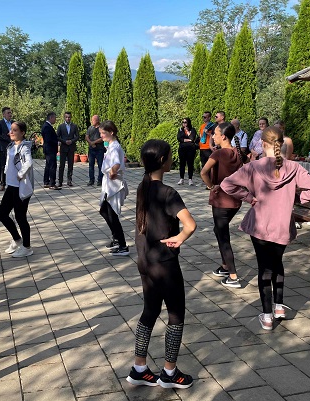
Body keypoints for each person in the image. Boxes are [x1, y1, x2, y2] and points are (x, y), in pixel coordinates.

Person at [221, 126, 310, 330]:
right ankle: (279, 307)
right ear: (281, 143)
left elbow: (226, 184)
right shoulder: (294, 167)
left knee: (264, 268)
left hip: (260, 224)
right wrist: (295, 198)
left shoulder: (252, 167)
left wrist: (248, 197)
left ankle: (267, 316)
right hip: (282, 225)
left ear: (262, 144)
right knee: (277, 263)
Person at [126, 139, 196, 389]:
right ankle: (169, 372)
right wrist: (180, 238)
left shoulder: (142, 187)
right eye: (170, 155)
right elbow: (191, 225)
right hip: (165, 264)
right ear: (163, 161)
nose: (173, 159)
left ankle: (139, 368)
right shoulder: (168, 193)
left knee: (150, 311)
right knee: (176, 315)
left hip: (145, 261)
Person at [200, 123, 243, 288]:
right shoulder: (238, 153)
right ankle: (225, 266)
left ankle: (233, 276)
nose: (213, 137)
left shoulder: (218, 153)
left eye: (215, 134)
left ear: (223, 136)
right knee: (219, 231)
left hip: (221, 201)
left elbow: (203, 172)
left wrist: (211, 186)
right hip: (235, 201)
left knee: (223, 236)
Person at [0, 121, 34, 258]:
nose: (11, 132)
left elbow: (29, 162)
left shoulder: (24, 147)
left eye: (15, 130)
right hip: (11, 186)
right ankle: (17, 239)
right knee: (2, 214)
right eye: (11, 130)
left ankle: (27, 247)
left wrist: (21, 174)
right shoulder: (11, 146)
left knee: (20, 217)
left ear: (22, 133)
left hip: (21, 187)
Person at [99, 120, 129, 256]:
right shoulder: (111, 146)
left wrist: (112, 172)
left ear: (111, 132)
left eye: (103, 133)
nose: (101, 136)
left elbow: (116, 163)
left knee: (112, 214)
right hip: (109, 185)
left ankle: (122, 245)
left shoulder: (115, 147)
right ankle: (116, 239)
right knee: (104, 210)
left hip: (114, 185)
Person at [57, 111, 79, 187]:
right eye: (66, 117)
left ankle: (69, 180)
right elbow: (57, 136)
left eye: (69, 117)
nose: (68, 118)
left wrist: (72, 141)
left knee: (70, 165)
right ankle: (60, 181)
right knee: (62, 165)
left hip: (71, 147)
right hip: (63, 147)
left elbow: (77, 136)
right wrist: (64, 141)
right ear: (64, 117)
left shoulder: (74, 126)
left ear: (71, 117)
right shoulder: (61, 126)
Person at [0, 107, 13, 191]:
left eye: (10, 113)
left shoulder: (13, 123)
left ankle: (11, 183)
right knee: (3, 166)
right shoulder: (0, 123)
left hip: (13, 147)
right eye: (8, 113)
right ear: (4, 114)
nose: (10, 114)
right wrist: (8, 137)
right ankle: (2, 183)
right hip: (4, 147)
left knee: (12, 165)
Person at [176, 117, 198, 186]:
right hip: (182, 149)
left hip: (191, 149)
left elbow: (192, 138)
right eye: (183, 122)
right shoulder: (180, 130)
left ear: (188, 123)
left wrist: (188, 132)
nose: (184, 124)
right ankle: (181, 178)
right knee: (182, 163)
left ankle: (190, 179)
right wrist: (188, 140)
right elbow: (179, 138)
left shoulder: (192, 130)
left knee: (190, 164)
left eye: (185, 122)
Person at [41, 112, 60, 190]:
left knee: (48, 166)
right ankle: (52, 183)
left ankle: (46, 182)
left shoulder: (47, 126)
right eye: (55, 118)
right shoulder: (47, 127)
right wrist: (57, 142)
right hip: (50, 149)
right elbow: (48, 139)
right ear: (51, 118)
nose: (55, 120)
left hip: (49, 149)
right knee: (52, 166)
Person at [86, 115, 104, 186]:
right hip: (91, 149)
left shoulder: (101, 128)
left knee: (100, 165)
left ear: (97, 121)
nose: (91, 121)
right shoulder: (90, 128)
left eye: (93, 120)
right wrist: (91, 143)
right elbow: (86, 137)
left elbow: (102, 138)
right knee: (91, 165)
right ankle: (91, 180)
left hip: (99, 149)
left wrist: (94, 142)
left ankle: (100, 180)